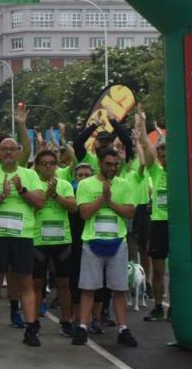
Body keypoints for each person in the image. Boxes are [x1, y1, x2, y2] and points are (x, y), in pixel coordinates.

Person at [0, 135, 45, 347]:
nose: (8, 153)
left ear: (18, 152)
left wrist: (22, 190)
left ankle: (31, 328)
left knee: (25, 282)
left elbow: (40, 202)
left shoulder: (30, 174)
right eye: (4, 149)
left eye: (13, 149)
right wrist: (3, 196)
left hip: (22, 236)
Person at [73, 148, 138, 347]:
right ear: (100, 163)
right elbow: (84, 213)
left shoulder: (124, 184)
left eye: (116, 164)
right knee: (88, 288)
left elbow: (129, 212)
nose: (113, 168)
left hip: (117, 242)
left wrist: (109, 201)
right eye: (109, 164)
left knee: (119, 288)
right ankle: (82, 328)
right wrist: (102, 198)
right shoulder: (85, 184)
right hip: (92, 242)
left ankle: (123, 329)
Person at [31, 148, 77, 337]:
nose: (48, 166)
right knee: (36, 283)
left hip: (61, 240)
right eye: (44, 163)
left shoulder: (65, 184)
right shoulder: (32, 184)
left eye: (52, 163)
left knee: (64, 283)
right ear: (38, 166)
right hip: (38, 240)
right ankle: (33, 322)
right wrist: (47, 194)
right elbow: (32, 206)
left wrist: (55, 194)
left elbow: (73, 208)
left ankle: (66, 321)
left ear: (57, 165)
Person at [136, 108, 169, 322]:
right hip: (158, 223)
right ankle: (158, 306)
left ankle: (177, 308)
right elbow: (147, 148)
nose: (164, 158)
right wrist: (143, 124)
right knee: (157, 268)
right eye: (162, 155)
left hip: (178, 224)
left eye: (167, 155)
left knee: (178, 270)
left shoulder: (181, 171)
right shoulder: (155, 171)